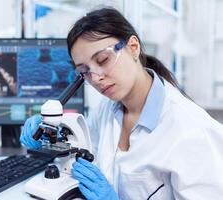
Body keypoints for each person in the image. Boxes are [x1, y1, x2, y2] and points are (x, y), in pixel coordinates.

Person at [20, 7, 223, 200]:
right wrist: (48, 137)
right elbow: (84, 146)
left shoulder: (193, 132)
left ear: (133, 48)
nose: (96, 78)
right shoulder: (108, 109)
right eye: (85, 71)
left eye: (102, 60)